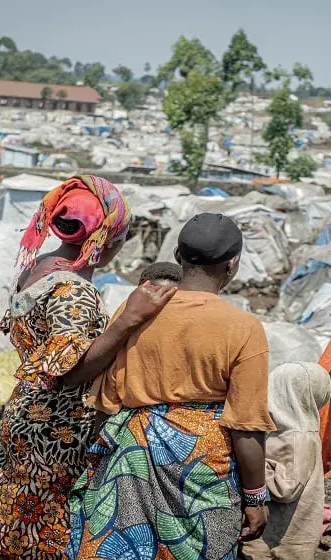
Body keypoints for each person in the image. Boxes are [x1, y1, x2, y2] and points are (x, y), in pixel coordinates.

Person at [0, 175, 176, 560]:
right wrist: (127, 320)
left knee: (13, 511)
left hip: (27, 411)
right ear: (108, 238)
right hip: (58, 427)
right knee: (46, 521)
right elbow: (71, 371)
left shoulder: (39, 268)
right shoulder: (73, 291)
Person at [68, 213, 276, 560]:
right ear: (233, 264)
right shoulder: (243, 328)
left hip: (131, 459)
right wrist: (255, 496)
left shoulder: (136, 310)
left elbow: (105, 397)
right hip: (203, 468)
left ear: (177, 256)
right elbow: (246, 427)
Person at [241, 363, 331, 560]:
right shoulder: (284, 432)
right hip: (275, 537)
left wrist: (251, 467)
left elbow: (286, 488)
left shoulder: (299, 438)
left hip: (282, 543)